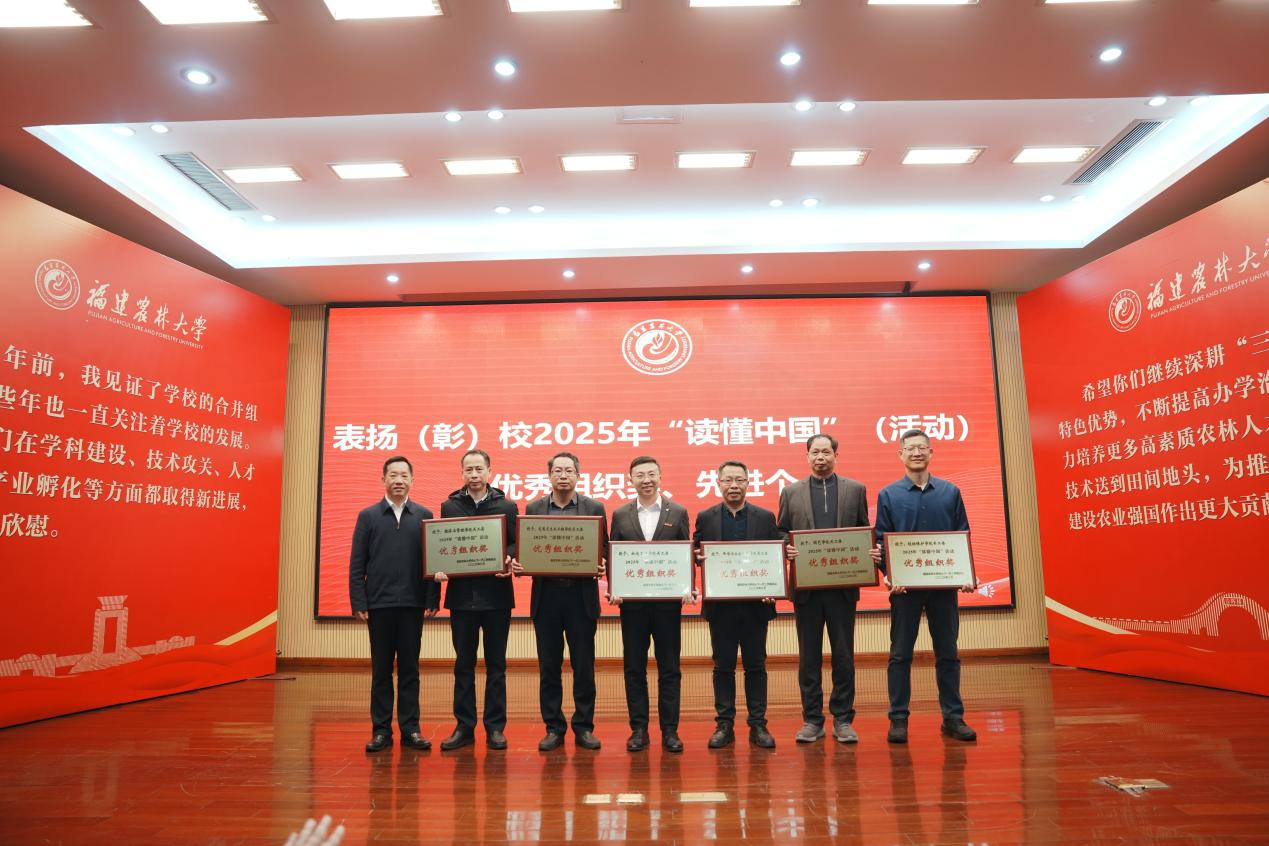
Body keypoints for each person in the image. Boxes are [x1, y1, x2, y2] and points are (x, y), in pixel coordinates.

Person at [871, 428, 978, 744]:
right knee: (900, 655)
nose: (916, 452)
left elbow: (962, 536)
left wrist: (966, 574)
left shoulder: (950, 492)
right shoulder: (888, 495)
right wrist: (889, 575)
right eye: (910, 448)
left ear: (931, 453)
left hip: (943, 590)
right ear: (900, 454)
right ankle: (898, 719)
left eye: (922, 447)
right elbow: (881, 541)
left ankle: (953, 718)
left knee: (948, 653)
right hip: (905, 591)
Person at [777, 433, 870, 744]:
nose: (820, 457)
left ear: (835, 455)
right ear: (807, 456)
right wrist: (787, 547)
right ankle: (812, 720)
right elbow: (781, 532)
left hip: (843, 587)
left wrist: (868, 551)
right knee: (809, 657)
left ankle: (843, 719)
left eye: (826, 452)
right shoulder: (791, 492)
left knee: (844, 655)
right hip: (807, 589)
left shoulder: (855, 490)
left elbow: (863, 531)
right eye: (815, 452)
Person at [515, 452, 609, 751]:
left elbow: (604, 549)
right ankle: (554, 727)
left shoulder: (594, 508)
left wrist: (602, 563)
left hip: (581, 598)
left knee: (584, 667)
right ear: (549, 475)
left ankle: (584, 727)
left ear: (578, 475)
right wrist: (520, 563)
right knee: (549, 667)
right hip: (547, 598)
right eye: (558, 471)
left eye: (569, 470)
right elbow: (527, 549)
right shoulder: (534, 508)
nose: (563, 475)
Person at [348, 455, 440, 753]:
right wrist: (358, 601)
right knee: (381, 671)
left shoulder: (424, 515)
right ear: (383, 479)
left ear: (412, 480)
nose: (398, 480)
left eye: (404, 475)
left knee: (410, 669)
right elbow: (357, 563)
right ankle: (381, 731)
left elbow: (433, 561)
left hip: (413, 604)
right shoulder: (368, 516)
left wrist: (432, 598)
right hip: (379, 605)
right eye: (393, 475)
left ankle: (411, 729)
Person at [693, 460, 783, 749]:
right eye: (728, 480)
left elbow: (775, 556)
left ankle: (758, 725)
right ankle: (724, 725)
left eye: (739, 480)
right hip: (721, 607)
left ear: (748, 483)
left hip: (756, 606)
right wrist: (695, 557)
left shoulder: (765, 517)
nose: (734, 485)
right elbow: (695, 551)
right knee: (723, 667)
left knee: (756, 665)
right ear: (718, 483)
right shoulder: (705, 517)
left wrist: (773, 586)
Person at [433, 449, 518, 752]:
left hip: (497, 598)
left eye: (479, 469)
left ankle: (495, 728)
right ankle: (464, 727)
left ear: (489, 471)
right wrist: (439, 565)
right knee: (463, 666)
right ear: (462, 473)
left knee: (497, 667)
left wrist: (508, 557)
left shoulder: (506, 506)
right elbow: (443, 544)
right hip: (461, 599)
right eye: (468, 469)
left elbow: (516, 542)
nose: (474, 474)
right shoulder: (450, 506)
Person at [607, 455, 692, 753]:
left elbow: (684, 553)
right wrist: (615, 588)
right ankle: (639, 730)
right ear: (630, 479)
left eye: (651, 474)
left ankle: (670, 731)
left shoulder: (678, 511)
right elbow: (613, 555)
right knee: (634, 668)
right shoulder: (620, 514)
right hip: (632, 607)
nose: (646, 480)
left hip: (667, 606)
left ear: (660, 476)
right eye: (640, 475)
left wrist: (687, 587)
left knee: (670, 668)